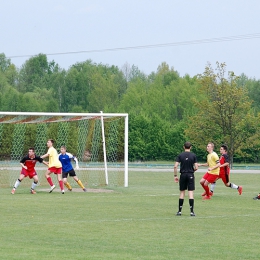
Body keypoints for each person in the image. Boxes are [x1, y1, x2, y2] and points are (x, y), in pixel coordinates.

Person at [174, 142, 198, 216]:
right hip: (190, 174)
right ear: (190, 147)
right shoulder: (193, 155)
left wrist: (175, 175)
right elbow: (196, 167)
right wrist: (191, 171)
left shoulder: (180, 155)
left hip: (183, 175)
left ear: (184, 147)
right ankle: (192, 212)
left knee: (182, 193)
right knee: (190, 193)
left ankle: (179, 211)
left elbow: (175, 166)